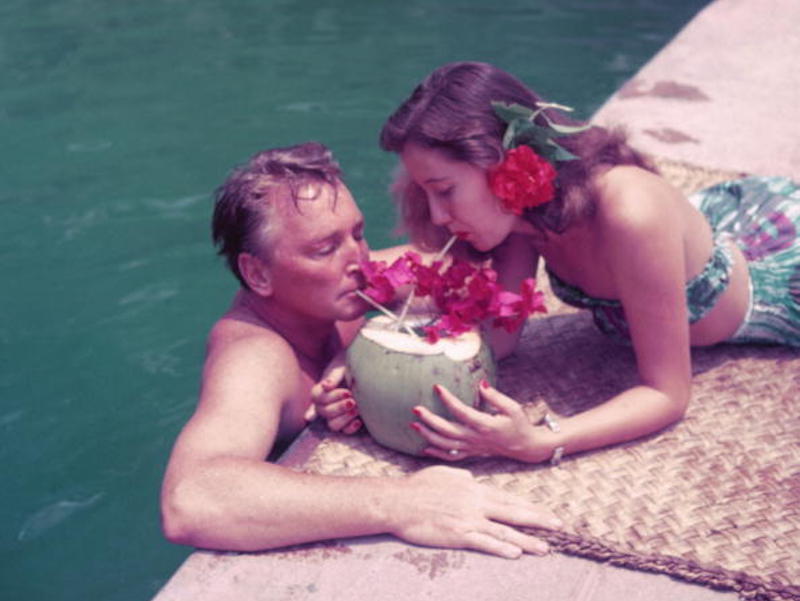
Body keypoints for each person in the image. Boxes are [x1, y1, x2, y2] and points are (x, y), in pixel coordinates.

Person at [370, 61, 800, 465]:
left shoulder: (631, 215)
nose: (439, 215)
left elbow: (667, 394)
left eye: (444, 190)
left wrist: (543, 440)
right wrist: (371, 362)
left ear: (502, 163)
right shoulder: (523, 218)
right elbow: (499, 343)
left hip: (780, 277)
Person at [160, 141, 561, 558]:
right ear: (257, 274)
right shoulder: (255, 355)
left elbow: (488, 246)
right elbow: (191, 501)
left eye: (358, 234)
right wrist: (402, 503)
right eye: (324, 249)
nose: (359, 260)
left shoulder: (347, 286)